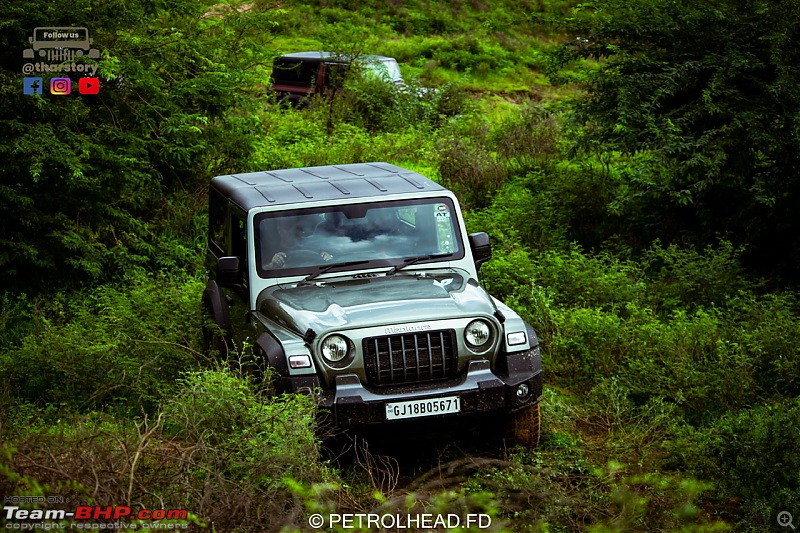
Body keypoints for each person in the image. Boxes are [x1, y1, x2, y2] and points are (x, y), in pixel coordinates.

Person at [265, 216, 332, 268]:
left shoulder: (311, 245)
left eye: (296, 227)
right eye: (288, 227)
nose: (292, 231)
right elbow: (259, 271)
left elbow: (328, 261)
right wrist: (272, 264)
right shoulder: (270, 250)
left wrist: (326, 257)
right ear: (279, 230)